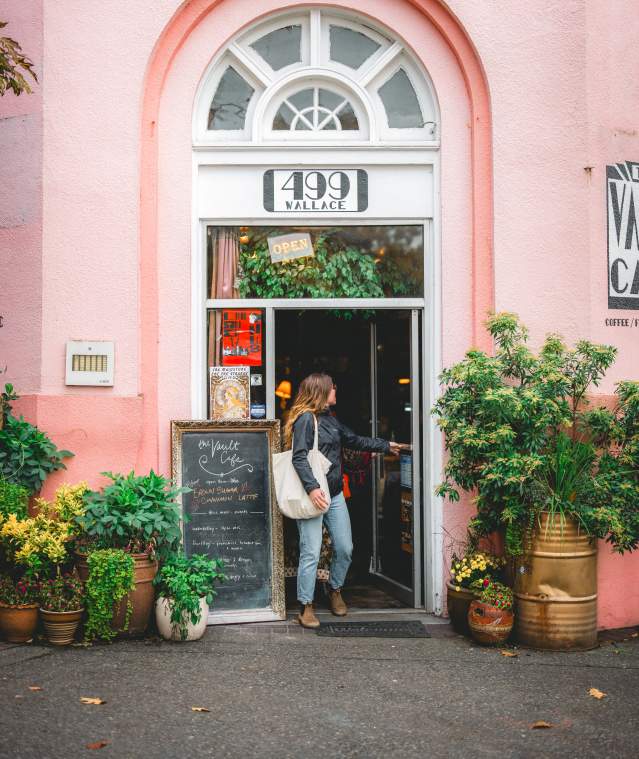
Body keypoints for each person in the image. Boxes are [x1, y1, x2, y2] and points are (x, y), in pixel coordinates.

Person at [283, 372, 402, 629]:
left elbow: (354, 440)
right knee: (311, 551)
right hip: (314, 494)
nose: (336, 390)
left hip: (334, 494)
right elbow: (299, 457)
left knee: (345, 547)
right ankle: (306, 606)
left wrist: (384, 445)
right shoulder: (306, 419)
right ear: (321, 391)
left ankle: (335, 589)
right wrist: (313, 488)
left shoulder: (331, 420)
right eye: (332, 387)